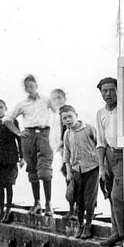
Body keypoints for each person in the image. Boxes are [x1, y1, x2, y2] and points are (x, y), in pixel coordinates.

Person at [4, 74, 58, 216]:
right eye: (27, 86)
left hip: (44, 134)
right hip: (28, 136)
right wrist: (19, 132)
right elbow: (7, 120)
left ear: (36, 85)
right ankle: (37, 203)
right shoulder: (22, 104)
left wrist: (55, 133)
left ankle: (48, 204)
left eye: (32, 85)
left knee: (45, 170)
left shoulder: (46, 100)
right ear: (25, 88)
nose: (30, 88)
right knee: (32, 170)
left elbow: (58, 112)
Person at [95, 77, 124, 247]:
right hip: (108, 154)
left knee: (119, 196)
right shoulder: (100, 113)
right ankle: (116, 232)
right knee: (111, 197)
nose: (108, 94)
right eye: (104, 91)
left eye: (112, 90)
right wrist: (101, 166)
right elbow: (100, 141)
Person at [60, 105, 100, 240]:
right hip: (77, 169)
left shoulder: (88, 129)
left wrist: (102, 166)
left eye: (70, 116)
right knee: (78, 199)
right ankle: (80, 225)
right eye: (64, 118)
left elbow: (100, 145)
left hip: (92, 168)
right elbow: (66, 153)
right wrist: (69, 172)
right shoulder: (67, 133)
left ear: (76, 115)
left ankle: (88, 226)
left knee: (90, 199)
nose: (68, 120)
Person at [0, 99, 23, 223]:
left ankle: (8, 210)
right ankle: (1, 210)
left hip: (10, 159)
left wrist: (22, 157)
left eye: (1, 107)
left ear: (5, 108)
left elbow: (19, 139)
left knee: (9, 184)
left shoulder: (12, 121)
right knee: (0, 186)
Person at [50, 89, 74, 218]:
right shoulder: (54, 116)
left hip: (74, 152)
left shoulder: (69, 113)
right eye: (54, 99)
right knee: (67, 177)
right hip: (63, 152)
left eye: (59, 98)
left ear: (64, 98)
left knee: (77, 180)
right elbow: (53, 135)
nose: (57, 101)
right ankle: (71, 209)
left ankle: (78, 210)